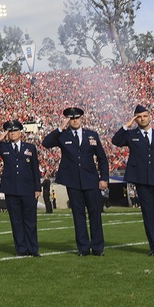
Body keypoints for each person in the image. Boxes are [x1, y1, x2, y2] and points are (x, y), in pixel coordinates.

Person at [111, 104, 154, 256]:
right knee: (149, 215)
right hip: (142, 180)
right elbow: (115, 140)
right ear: (136, 119)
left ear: (150, 117)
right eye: (139, 117)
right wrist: (126, 125)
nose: (142, 119)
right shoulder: (131, 135)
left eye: (145, 116)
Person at [41, 106, 110, 256]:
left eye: (77, 118)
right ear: (68, 120)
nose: (75, 121)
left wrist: (104, 178)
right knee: (78, 215)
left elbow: (102, 158)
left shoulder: (91, 135)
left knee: (95, 214)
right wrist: (60, 128)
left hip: (91, 179)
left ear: (81, 118)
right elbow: (46, 143)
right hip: (73, 181)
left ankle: (98, 248)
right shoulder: (63, 135)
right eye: (71, 119)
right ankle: (83, 248)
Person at [0, 120, 40, 257]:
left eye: (15, 131)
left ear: (20, 132)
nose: (12, 133)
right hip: (11, 189)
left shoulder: (30, 147)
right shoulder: (3, 147)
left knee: (30, 221)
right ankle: (21, 250)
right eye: (10, 131)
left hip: (27, 188)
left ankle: (33, 249)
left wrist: (37, 188)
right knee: (16, 221)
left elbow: (35, 169)